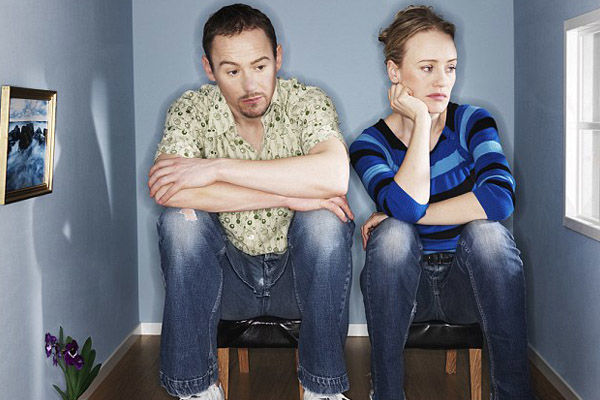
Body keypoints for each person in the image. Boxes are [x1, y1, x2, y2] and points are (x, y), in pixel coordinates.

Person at [148, 3, 355, 400]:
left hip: (297, 277)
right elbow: (168, 190)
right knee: (180, 222)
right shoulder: (191, 110)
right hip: (226, 279)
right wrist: (291, 194)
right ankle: (196, 389)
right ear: (209, 69)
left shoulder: (307, 102)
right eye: (231, 71)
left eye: (260, 66)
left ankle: (322, 389)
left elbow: (334, 175)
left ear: (278, 57)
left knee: (325, 223)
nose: (249, 85)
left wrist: (215, 168)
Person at [349, 6, 531, 400]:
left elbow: (500, 198)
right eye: (427, 68)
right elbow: (406, 210)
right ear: (395, 72)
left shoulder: (472, 122)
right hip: (404, 287)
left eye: (450, 67)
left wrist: (400, 213)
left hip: (466, 285)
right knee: (394, 236)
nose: (443, 80)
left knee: (488, 236)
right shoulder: (369, 145)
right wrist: (420, 123)